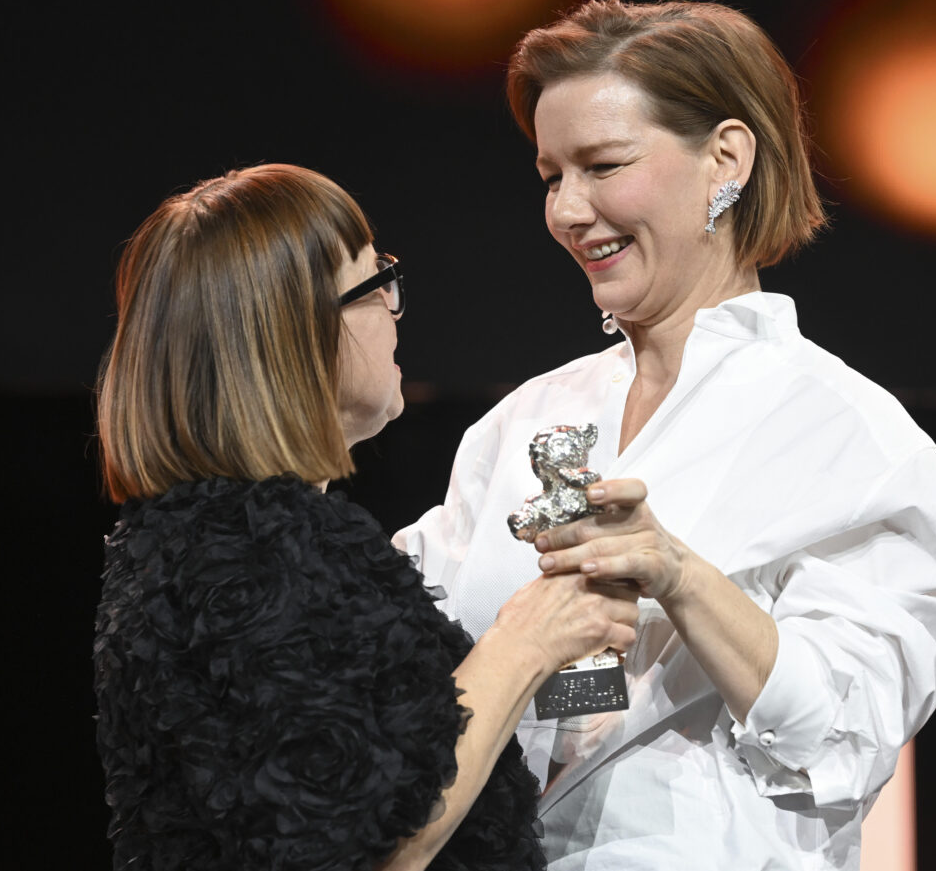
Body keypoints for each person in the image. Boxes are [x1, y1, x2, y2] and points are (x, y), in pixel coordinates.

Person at [394, 0, 936, 870]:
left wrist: (679, 575)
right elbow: (409, 659)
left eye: (604, 164)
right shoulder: (520, 425)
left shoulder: (849, 437)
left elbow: (842, 740)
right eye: (552, 175)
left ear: (727, 160)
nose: (568, 210)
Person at [92, 163, 638, 871]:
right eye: (373, 281)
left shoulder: (229, 541)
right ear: (295, 334)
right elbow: (368, 841)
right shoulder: (246, 557)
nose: (394, 307)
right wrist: (526, 641)